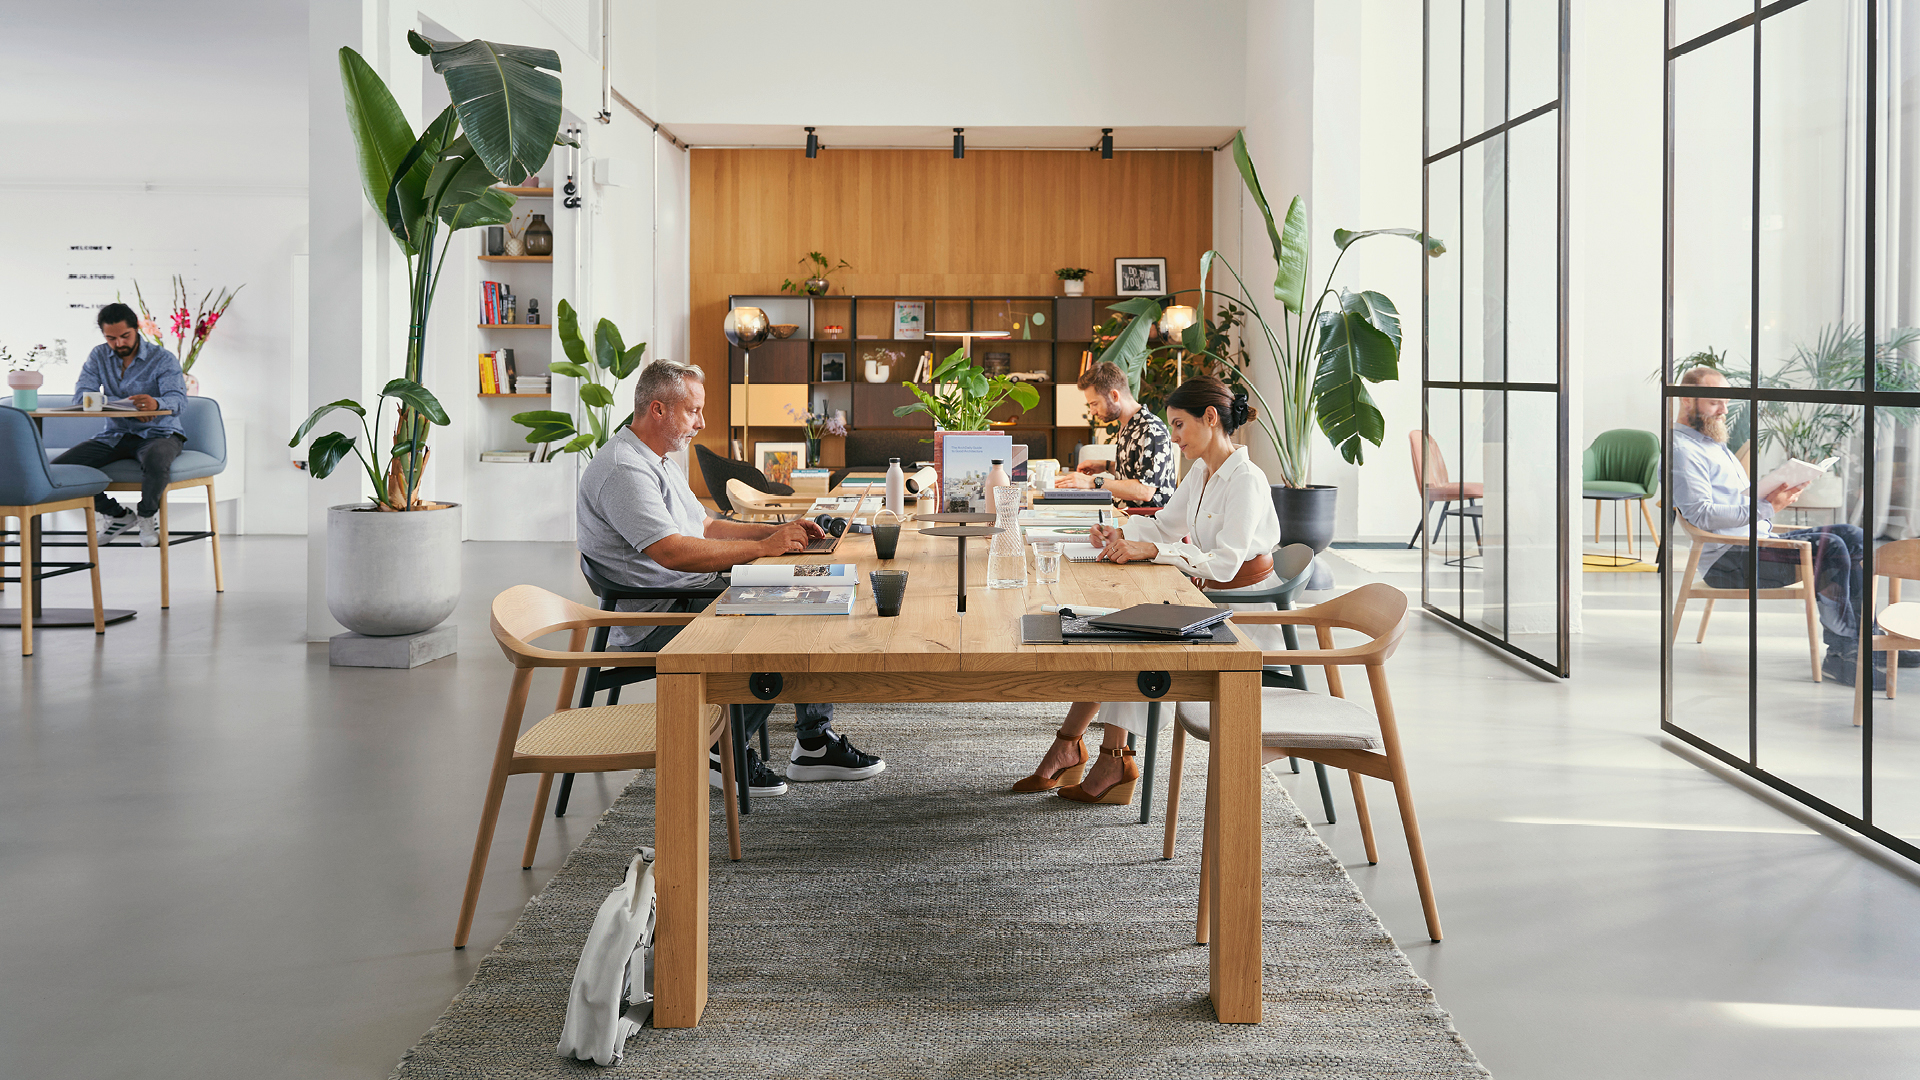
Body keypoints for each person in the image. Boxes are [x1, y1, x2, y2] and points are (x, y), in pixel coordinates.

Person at [576, 359, 885, 796]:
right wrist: (762, 549)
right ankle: (722, 750)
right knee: (785, 617)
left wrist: (778, 532)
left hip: (687, 592)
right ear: (658, 409)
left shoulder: (658, 458)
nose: (701, 423)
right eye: (693, 411)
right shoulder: (625, 469)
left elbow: (704, 528)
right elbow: (672, 552)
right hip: (661, 614)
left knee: (813, 591)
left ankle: (813, 743)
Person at [1014, 375, 1285, 803]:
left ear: (1209, 418)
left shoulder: (1245, 480)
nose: (1173, 437)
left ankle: (1099, 753)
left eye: (1179, 425)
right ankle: (1092, 750)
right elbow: (1164, 525)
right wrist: (1116, 530)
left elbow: (1227, 564)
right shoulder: (1201, 472)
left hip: (1239, 614)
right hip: (1205, 597)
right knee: (1116, 623)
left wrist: (1155, 550)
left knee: (1132, 633)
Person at [1672, 365, 1888, 687]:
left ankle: (1868, 642)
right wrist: (1767, 506)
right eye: (1716, 401)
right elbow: (1701, 514)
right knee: (1832, 549)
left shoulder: (1712, 445)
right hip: (1729, 561)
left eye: (1727, 402)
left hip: (1754, 543)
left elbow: (1737, 502)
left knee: (1852, 535)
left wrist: (1773, 497)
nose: (1724, 409)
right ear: (1688, 400)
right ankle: (1842, 655)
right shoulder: (1682, 450)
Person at [50, 303, 189, 547]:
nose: (119, 344)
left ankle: (146, 517)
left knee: (156, 459)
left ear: (137, 329)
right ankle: (117, 515)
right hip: (116, 434)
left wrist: (155, 403)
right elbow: (81, 398)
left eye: (125, 336)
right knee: (61, 468)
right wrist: (128, 407)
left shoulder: (162, 359)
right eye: (111, 338)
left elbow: (178, 401)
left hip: (160, 433)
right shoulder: (98, 355)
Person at [1050, 360, 1178, 510]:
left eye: (1095, 404)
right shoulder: (1128, 426)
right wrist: (1106, 465)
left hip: (1148, 524)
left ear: (1114, 396)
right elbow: (1138, 471)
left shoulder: (1150, 429)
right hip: (1126, 517)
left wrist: (1092, 482)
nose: (1092, 411)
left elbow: (1145, 491)